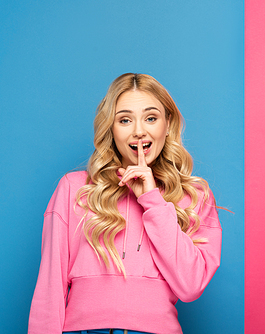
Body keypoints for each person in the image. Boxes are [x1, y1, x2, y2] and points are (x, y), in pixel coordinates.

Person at [28, 73, 222, 334]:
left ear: (167, 125)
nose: (139, 130)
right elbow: (49, 288)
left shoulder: (194, 196)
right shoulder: (75, 188)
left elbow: (191, 286)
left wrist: (152, 200)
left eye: (151, 118)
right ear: (111, 128)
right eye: (125, 120)